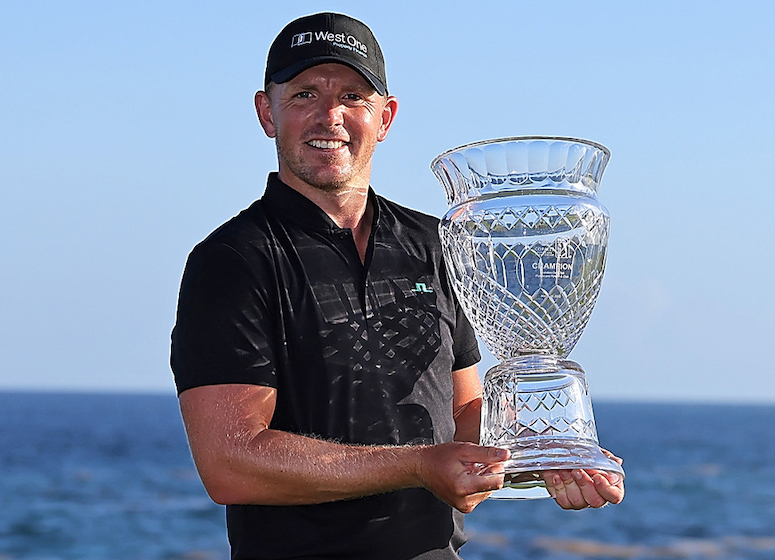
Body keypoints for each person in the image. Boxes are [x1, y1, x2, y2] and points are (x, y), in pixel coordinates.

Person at [170, 12, 624, 560]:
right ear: (267, 113)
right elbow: (230, 463)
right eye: (305, 94)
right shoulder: (233, 260)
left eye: (354, 97)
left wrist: (545, 451)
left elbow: (465, 413)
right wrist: (417, 465)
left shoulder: (439, 244)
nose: (329, 116)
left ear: (385, 118)